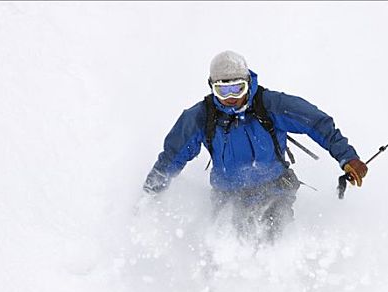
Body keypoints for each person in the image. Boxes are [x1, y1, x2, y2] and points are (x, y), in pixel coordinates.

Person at [143, 50, 367, 243]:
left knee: (275, 238)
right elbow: (171, 158)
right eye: (223, 91)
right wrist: (149, 196)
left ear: (248, 83)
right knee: (225, 246)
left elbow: (318, 123)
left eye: (237, 89)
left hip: (275, 190)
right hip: (228, 196)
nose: (231, 98)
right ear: (212, 87)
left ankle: (282, 284)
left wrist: (347, 158)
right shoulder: (201, 118)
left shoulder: (270, 106)